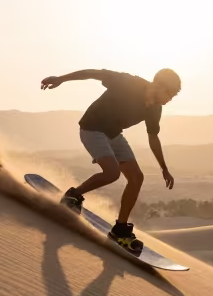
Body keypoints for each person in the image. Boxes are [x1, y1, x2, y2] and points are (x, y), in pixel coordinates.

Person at [39, 67, 181, 253]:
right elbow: (93, 73)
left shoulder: (155, 109)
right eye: (169, 93)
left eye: (174, 95)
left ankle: (120, 229)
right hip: (92, 129)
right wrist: (61, 78)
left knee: (137, 178)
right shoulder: (129, 83)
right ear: (157, 85)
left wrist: (164, 168)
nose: (170, 98)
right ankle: (73, 196)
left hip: (113, 135)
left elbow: (153, 137)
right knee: (112, 173)